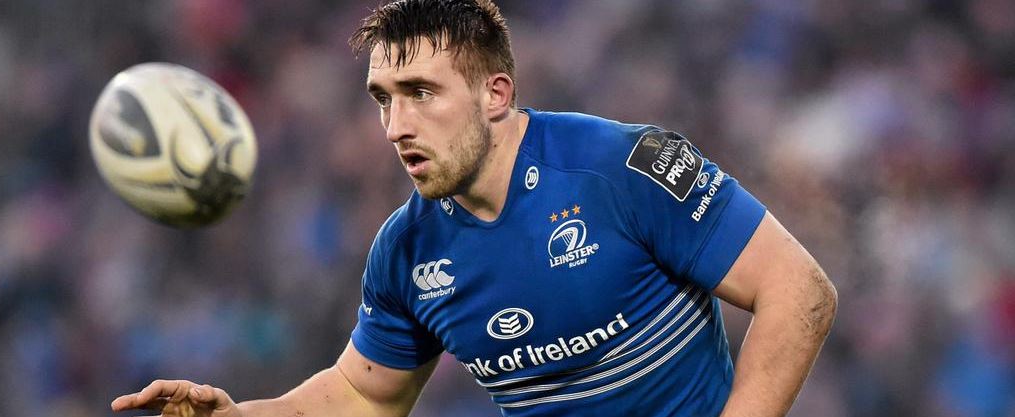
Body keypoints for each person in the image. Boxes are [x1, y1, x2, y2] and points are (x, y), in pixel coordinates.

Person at [111, 0, 838, 416]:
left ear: (495, 94)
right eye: (383, 100)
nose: (395, 126)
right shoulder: (406, 251)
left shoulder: (622, 167)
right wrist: (239, 416)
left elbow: (798, 289)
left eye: (421, 93)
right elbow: (362, 397)